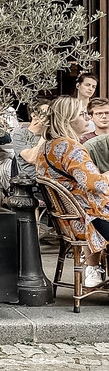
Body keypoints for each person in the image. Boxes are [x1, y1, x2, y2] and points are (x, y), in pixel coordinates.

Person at [37, 95, 109, 289]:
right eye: (82, 114)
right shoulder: (70, 147)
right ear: (67, 119)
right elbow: (96, 184)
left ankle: (96, 269)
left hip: (69, 222)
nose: (87, 118)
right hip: (90, 221)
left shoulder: (46, 147)